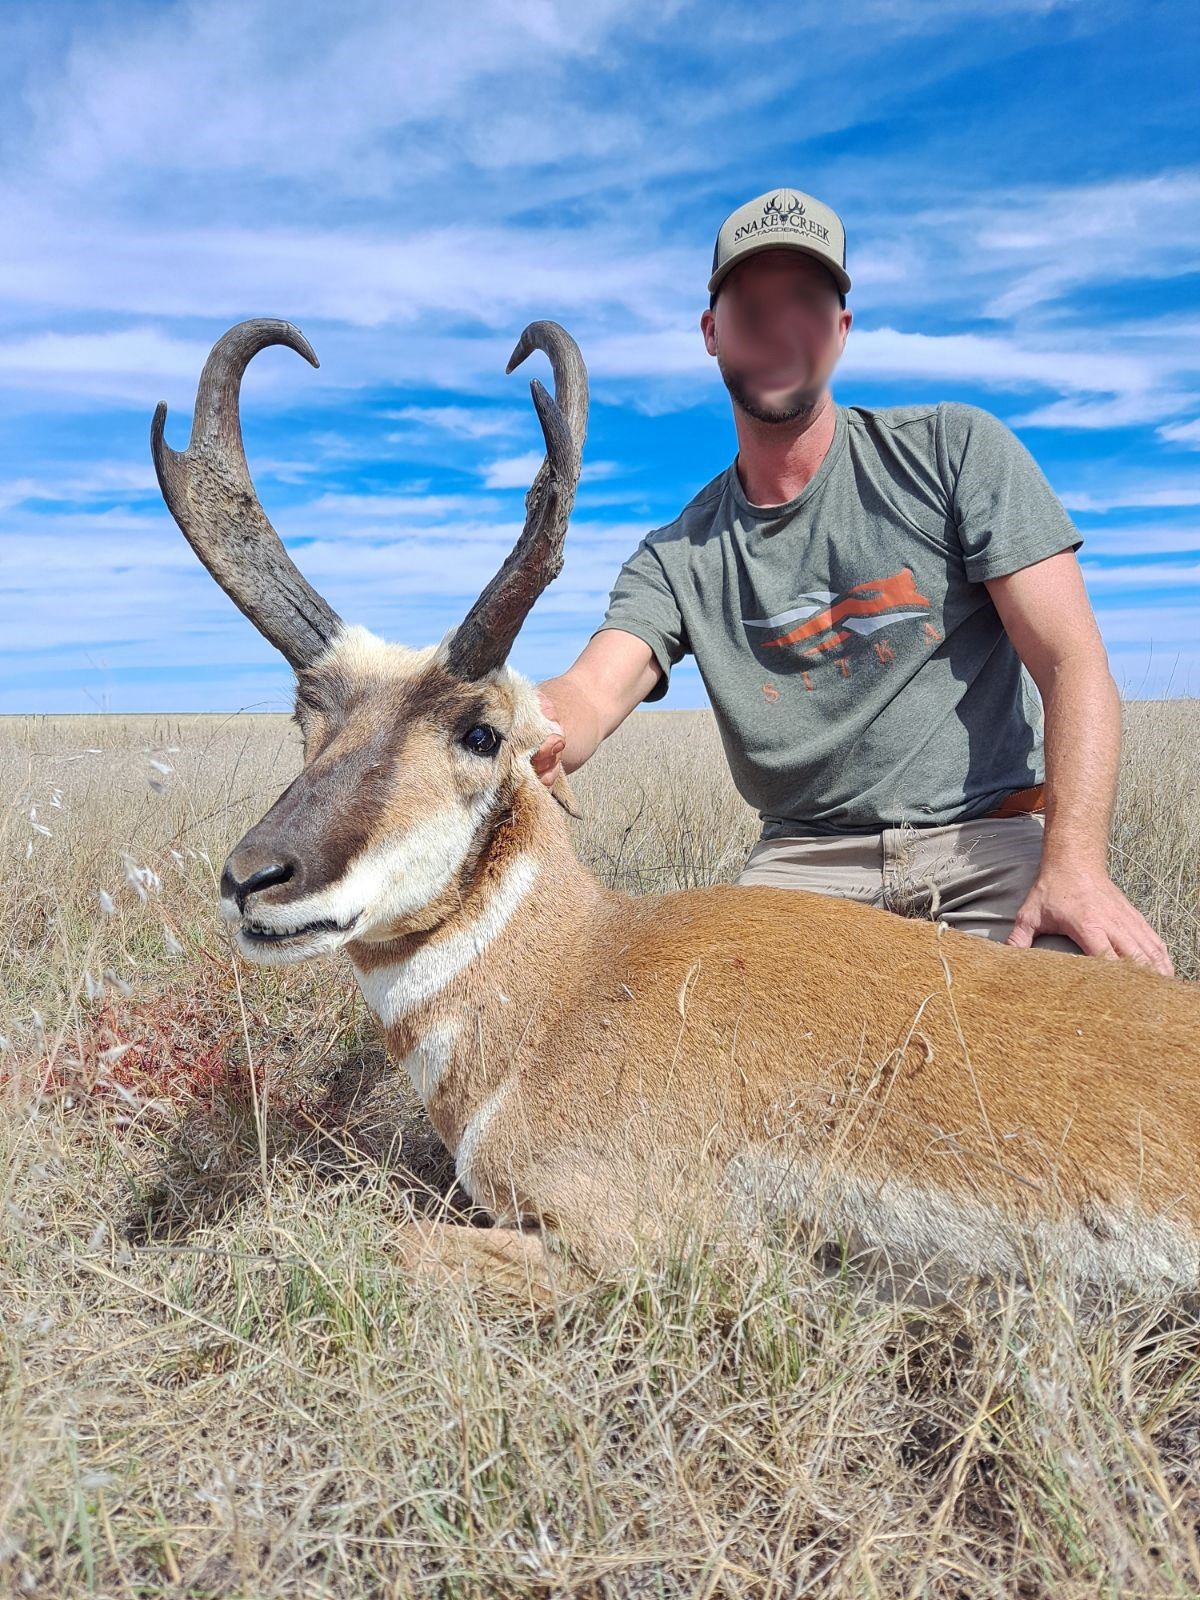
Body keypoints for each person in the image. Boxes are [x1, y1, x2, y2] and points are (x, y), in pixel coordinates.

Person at [531, 186, 1174, 976]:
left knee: (1105, 1000)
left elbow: (1072, 663)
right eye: (751, 306)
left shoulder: (953, 452)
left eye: (805, 302)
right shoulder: (678, 555)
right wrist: (527, 724)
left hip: (985, 844)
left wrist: (1074, 867)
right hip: (802, 870)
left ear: (840, 330)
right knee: (701, 1025)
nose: (779, 326)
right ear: (711, 332)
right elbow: (591, 693)